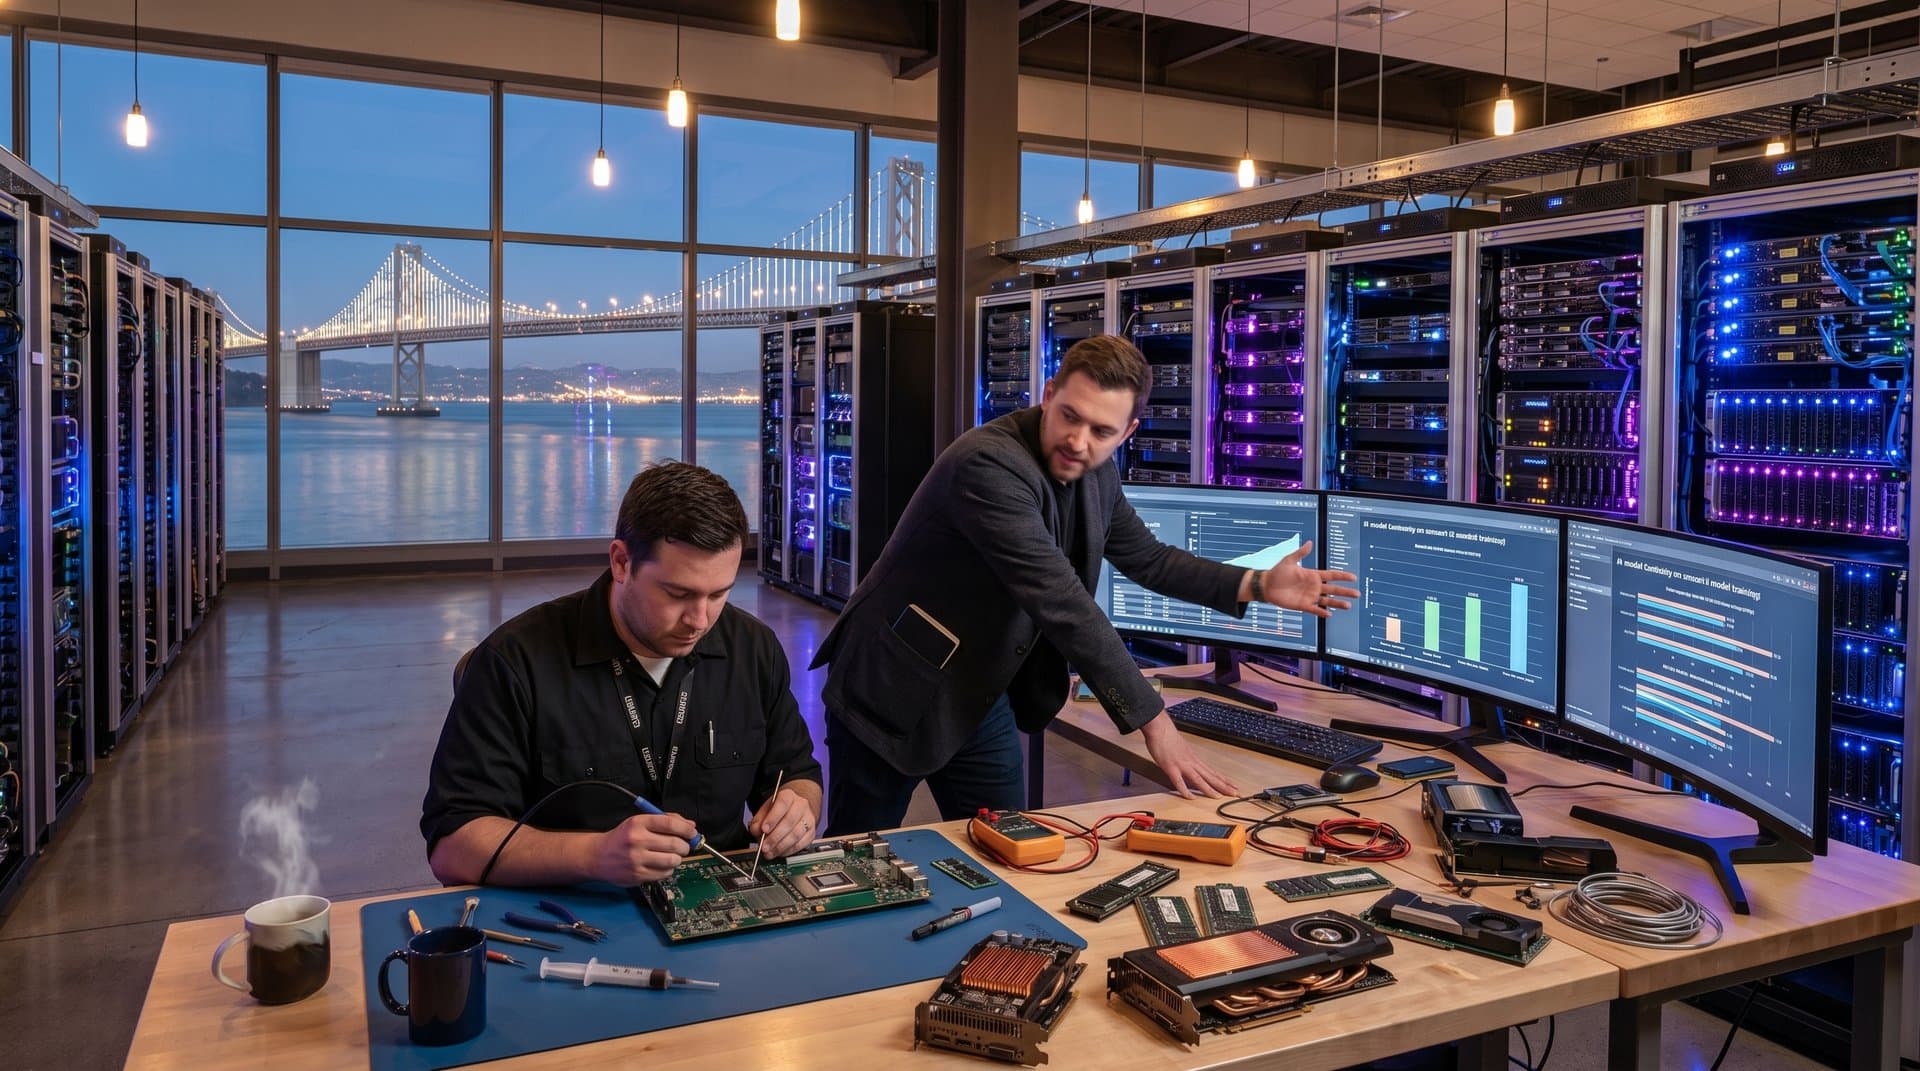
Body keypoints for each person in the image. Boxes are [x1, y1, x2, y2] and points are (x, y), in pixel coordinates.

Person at [814, 334, 1358, 836]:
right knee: (857, 859)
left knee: (1009, 852)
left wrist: (1259, 584)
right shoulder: (988, 465)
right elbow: (1062, 601)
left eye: (1101, 431)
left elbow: (1148, 558)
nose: (1078, 441)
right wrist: (1154, 722)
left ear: (1128, 433)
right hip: (892, 685)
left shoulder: (1098, 471)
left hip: (978, 692)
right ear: (1048, 394)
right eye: (1068, 416)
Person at [422, 461, 823, 887]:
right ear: (620, 562)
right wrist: (592, 855)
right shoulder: (514, 661)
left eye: (719, 593)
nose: (700, 619)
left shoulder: (753, 648)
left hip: (721, 899)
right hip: (574, 909)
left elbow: (800, 774)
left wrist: (798, 808)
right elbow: (452, 846)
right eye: (678, 594)